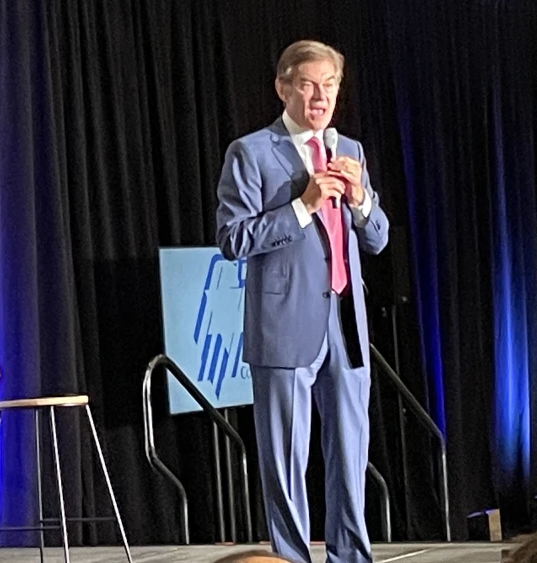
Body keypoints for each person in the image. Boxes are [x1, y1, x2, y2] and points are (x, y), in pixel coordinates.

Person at [215, 40, 390, 563]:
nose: (320, 97)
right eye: (309, 85)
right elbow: (232, 239)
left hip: (346, 323)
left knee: (350, 456)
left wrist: (359, 201)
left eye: (329, 86)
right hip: (286, 323)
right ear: (283, 87)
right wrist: (301, 207)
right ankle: (292, 560)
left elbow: (378, 239)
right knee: (287, 462)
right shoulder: (250, 152)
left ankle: (351, 557)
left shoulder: (350, 151)